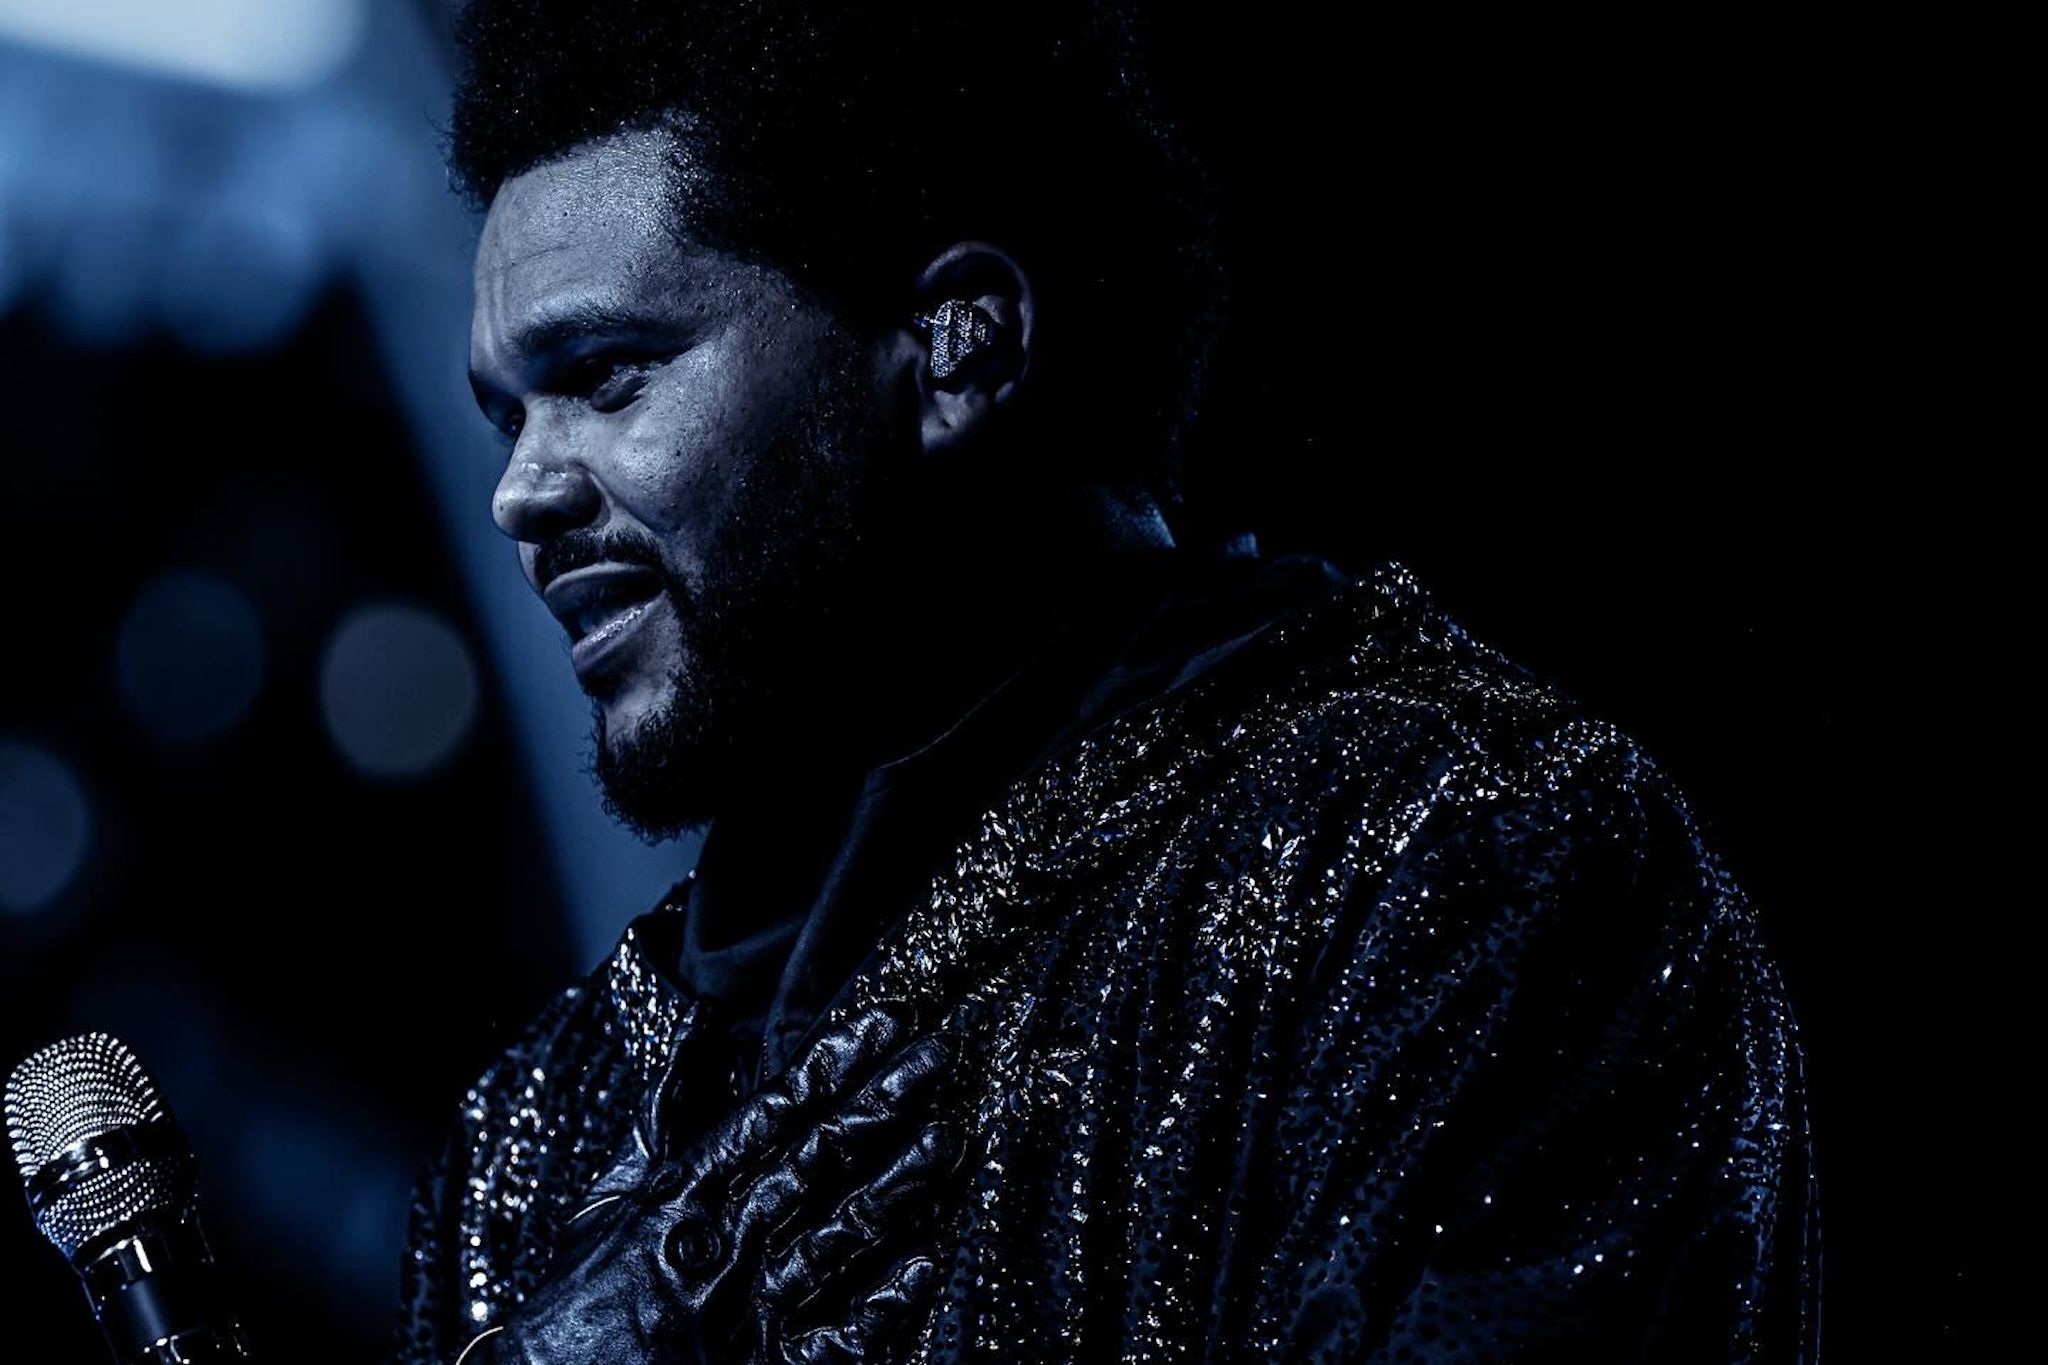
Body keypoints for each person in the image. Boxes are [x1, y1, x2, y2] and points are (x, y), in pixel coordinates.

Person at [393, 3, 1821, 1361]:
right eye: (507, 417)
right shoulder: (543, 1124)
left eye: (607, 375)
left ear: (958, 350)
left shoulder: (1456, 864)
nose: (521, 492)